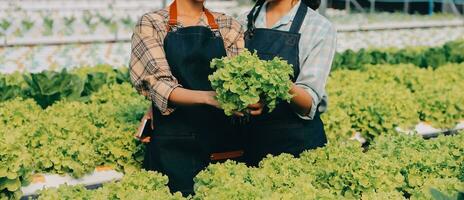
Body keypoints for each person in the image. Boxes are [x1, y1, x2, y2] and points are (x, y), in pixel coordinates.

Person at [129, 0, 245, 195]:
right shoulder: (152, 23)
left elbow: (242, 81)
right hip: (173, 149)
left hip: (223, 145)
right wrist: (210, 97)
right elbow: (160, 85)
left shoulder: (228, 25)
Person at [240, 0, 337, 166]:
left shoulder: (319, 27)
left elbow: (308, 103)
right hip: (251, 142)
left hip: (297, 146)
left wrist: (277, 80)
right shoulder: (243, 22)